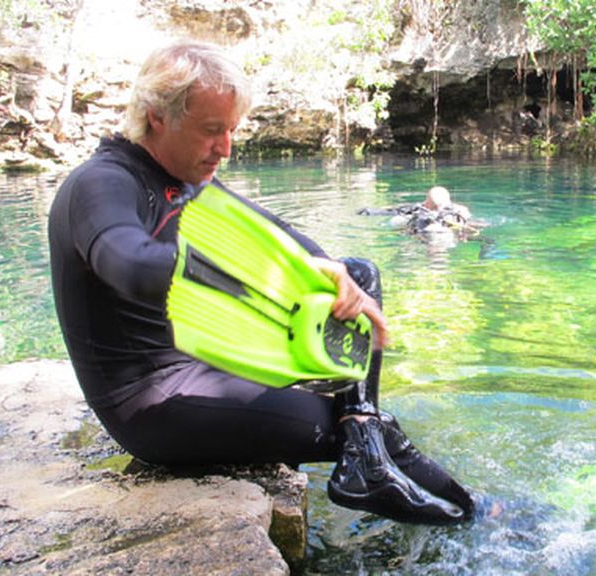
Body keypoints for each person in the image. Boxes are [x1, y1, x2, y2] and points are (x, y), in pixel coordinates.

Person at [47, 40, 472, 525]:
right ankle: (459, 509)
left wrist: (325, 270)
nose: (225, 149)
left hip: (214, 361)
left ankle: (374, 450)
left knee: (356, 275)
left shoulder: (188, 179)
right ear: (155, 116)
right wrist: (260, 279)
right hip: (153, 399)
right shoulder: (101, 184)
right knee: (357, 431)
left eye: (230, 130)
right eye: (212, 131)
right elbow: (131, 267)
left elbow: (287, 238)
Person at [359, 185, 481, 238]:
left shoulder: (415, 213)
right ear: (449, 201)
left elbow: (387, 220)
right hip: (447, 236)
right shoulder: (459, 212)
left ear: (426, 202)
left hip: (422, 235)